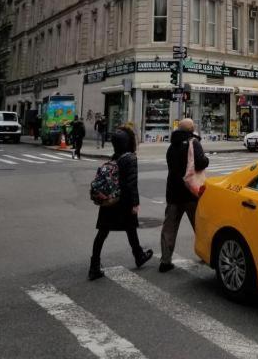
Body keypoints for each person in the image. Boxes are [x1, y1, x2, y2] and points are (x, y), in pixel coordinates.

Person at [88, 128, 153, 280]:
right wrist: (135, 203)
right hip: (123, 201)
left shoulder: (115, 157)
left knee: (103, 232)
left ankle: (94, 266)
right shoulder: (130, 158)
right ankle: (139, 256)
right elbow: (131, 184)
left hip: (110, 200)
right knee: (131, 228)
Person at [159, 118, 209, 273]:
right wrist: (207, 159)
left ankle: (165, 261)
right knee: (199, 226)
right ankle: (206, 255)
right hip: (190, 193)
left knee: (169, 228)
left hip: (173, 192)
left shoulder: (172, 146)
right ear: (191, 129)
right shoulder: (193, 143)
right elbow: (200, 162)